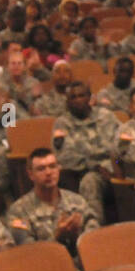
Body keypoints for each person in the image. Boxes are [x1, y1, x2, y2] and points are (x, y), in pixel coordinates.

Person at [5, 148, 99, 253]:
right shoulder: (19, 211)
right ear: (31, 174)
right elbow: (29, 254)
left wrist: (76, 237)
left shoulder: (77, 201)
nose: (49, 173)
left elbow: (95, 240)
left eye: (52, 166)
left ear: (59, 169)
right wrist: (57, 238)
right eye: (41, 169)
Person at [52, 81, 121, 218]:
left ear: (90, 97)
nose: (78, 100)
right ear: (67, 101)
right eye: (73, 97)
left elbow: (122, 146)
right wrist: (93, 165)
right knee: (90, 182)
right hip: (85, 173)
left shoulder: (107, 116)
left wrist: (115, 166)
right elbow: (64, 156)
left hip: (115, 168)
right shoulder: (62, 124)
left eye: (81, 95)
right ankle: (94, 229)